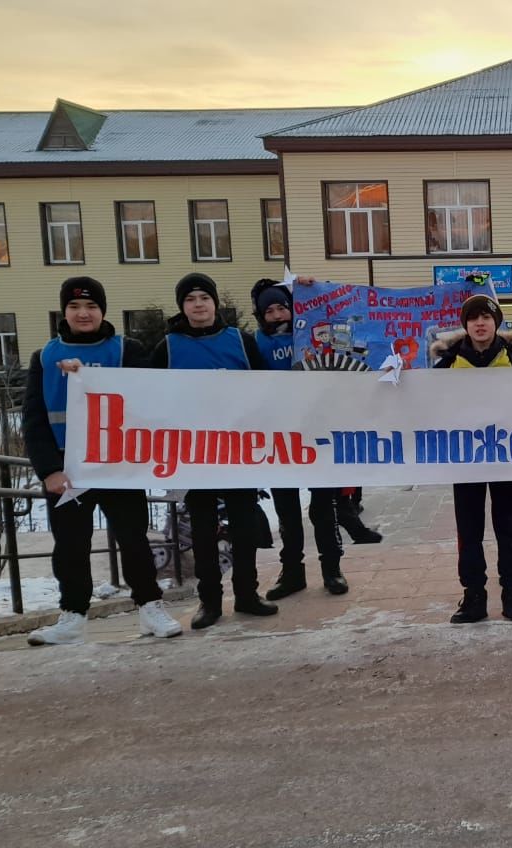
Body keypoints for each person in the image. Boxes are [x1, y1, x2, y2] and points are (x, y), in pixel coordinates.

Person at [21, 276, 182, 645]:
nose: (83, 313)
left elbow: (150, 397)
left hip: (117, 463)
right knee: (71, 544)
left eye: (91, 306)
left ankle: (149, 608)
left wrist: (92, 377)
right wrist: (49, 469)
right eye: (75, 307)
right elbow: (34, 419)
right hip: (68, 469)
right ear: (64, 311)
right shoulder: (45, 356)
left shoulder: (127, 349)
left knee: (133, 538)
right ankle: (73, 617)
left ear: (102, 311)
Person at [151, 272, 277, 631]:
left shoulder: (240, 340)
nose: (199, 305)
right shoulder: (168, 347)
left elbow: (268, 388)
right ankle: (209, 601)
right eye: (190, 300)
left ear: (215, 303)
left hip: (238, 450)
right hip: (194, 453)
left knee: (244, 526)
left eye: (204, 298)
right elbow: (143, 392)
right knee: (203, 531)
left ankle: (248, 595)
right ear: (182, 307)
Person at [431, 295, 512, 624]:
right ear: (465, 324)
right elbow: (422, 397)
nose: (480, 323)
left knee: (509, 529)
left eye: (486, 318)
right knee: (469, 530)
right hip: (465, 461)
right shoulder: (449, 360)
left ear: (496, 322)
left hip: (507, 459)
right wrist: (396, 376)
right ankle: (473, 595)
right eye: (473, 318)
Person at [248, 279, 350, 600]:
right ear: (261, 315)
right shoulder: (254, 344)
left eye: (282, 307)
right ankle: (291, 572)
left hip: (317, 432)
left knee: (323, 507)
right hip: (279, 437)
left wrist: (309, 287)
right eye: (270, 310)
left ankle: (332, 569)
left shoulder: (308, 334)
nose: (278, 315)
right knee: (287, 510)